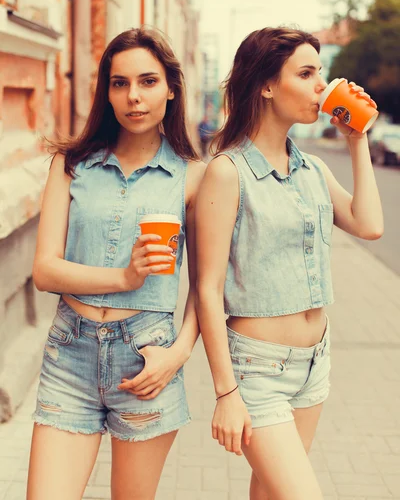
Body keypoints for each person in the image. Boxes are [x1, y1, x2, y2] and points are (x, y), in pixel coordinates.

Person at [195, 27, 383, 500]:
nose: (322, 85)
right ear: (266, 85)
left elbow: (369, 224)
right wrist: (226, 392)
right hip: (257, 371)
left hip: (313, 364)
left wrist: (357, 139)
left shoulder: (313, 170)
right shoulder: (227, 171)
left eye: (321, 72)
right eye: (306, 73)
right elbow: (207, 289)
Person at [27, 26, 206, 500]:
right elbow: (45, 270)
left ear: (171, 88)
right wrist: (125, 276)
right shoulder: (70, 164)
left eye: (148, 82)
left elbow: (206, 288)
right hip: (70, 353)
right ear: (106, 92)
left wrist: (178, 354)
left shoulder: (192, 178)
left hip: (147, 356)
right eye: (119, 82)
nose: (134, 97)